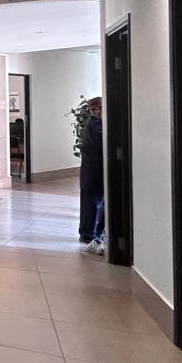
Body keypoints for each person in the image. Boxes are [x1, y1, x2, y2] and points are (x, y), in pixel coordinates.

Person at [79, 96, 105, 254]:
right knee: (92, 203)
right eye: (93, 110)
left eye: (99, 108)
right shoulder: (94, 126)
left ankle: (91, 233)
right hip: (92, 172)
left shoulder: (100, 124)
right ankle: (88, 234)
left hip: (96, 171)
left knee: (96, 203)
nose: (97, 112)